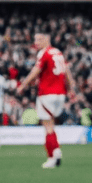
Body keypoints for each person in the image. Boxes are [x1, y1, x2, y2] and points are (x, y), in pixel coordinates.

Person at [17, 32, 76, 169]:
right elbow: (66, 71)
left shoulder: (44, 53)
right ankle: (55, 152)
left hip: (47, 93)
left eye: (39, 39)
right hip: (60, 94)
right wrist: (71, 87)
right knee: (51, 124)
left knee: (47, 126)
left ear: (46, 40)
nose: (36, 42)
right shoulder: (58, 53)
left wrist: (24, 84)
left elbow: (36, 70)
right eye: (35, 39)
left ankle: (53, 154)